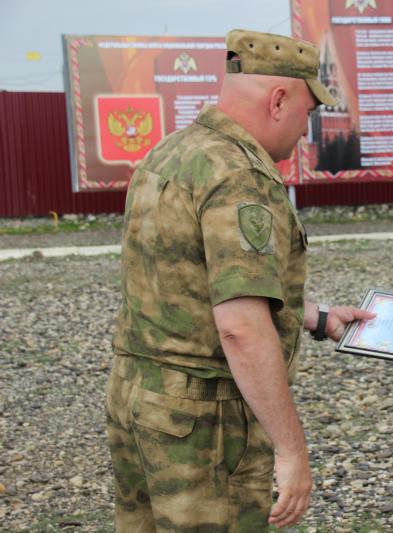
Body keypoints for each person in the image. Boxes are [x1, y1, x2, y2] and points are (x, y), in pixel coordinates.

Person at [107, 29, 374, 531]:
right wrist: (292, 451)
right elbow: (240, 327)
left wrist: (316, 317)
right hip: (204, 423)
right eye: (308, 112)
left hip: (139, 399)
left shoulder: (173, 152)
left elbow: (189, 282)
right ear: (278, 100)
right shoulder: (238, 175)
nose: (306, 128)